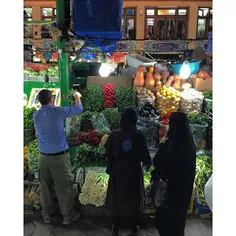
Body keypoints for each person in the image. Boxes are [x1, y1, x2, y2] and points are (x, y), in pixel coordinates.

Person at [33, 89, 83, 225]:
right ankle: (67, 217)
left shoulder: (36, 115)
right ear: (51, 99)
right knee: (64, 187)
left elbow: (38, 133)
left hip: (43, 158)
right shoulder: (57, 112)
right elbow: (79, 109)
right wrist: (77, 96)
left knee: (45, 187)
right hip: (58, 158)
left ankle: (46, 215)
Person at [105, 108, 151, 236]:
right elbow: (145, 158)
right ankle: (133, 226)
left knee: (117, 197)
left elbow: (107, 153)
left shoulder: (114, 134)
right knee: (133, 199)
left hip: (118, 172)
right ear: (135, 120)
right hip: (134, 172)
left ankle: (115, 226)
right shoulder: (139, 135)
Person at [151, 112, 196, 236]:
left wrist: (161, 146)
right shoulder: (190, 144)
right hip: (183, 192)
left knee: (166, 222)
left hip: (168, 192)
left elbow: (158, 162)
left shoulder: (170, 145)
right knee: (178, 220)